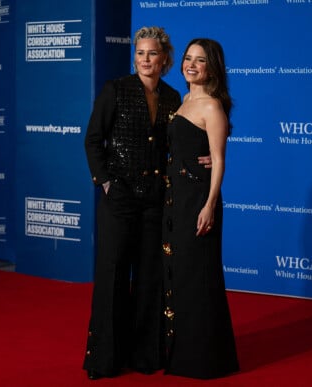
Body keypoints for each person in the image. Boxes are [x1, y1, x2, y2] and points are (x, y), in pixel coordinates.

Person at [83, 27, 210, 380]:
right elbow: (93, 140)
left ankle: (144, 356)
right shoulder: (116, 90)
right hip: (119, 199)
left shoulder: (174, 98)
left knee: (151, 280)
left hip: (157, 201)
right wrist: (106, 183)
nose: (145, 59)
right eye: (140, 53)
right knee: (112, 277)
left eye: (152, 53)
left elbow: (192, 136)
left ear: (165, 59)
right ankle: (104, 360)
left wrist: (209, 155)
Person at [161, 38, 239, 379]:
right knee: (180, 276)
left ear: (212, 67)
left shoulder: (211, 106)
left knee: (199, 277)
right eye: (188, 58)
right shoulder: (184, 99)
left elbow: (219, 161)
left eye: (200, 60)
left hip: (198, 199)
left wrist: (209, 205)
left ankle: (206, 358)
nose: (191, 65)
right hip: (175, 196)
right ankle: (180, 351)